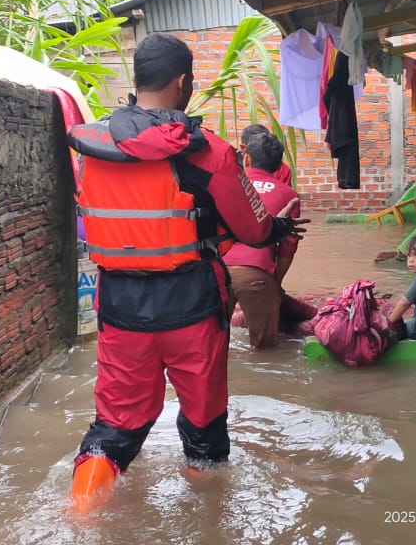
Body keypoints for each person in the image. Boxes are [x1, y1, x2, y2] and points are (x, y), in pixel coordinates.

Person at [67, 33, 306, 512]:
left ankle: (77, 519)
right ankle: (207, 522)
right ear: (182, 82)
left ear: (138, 80)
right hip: (193, 310)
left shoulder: (90, 148)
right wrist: (276, 223)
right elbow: (254, 230)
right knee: (203, 429)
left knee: (113, 429)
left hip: (119, 310)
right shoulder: (209, 152)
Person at [222, 131, 303, 349]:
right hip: (256, 276)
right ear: (279, 167)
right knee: (265, 350)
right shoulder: (288, 195)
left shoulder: (225, 185)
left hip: (216, 274)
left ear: (246, 158)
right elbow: (287, 249)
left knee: (213, 346)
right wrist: (275, 284)